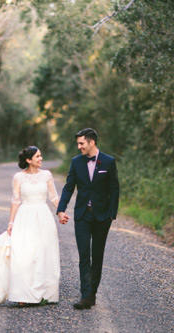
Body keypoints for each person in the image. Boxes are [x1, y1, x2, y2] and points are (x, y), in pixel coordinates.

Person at [57, 128, 119, 310]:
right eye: (78, 143)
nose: (79, 147)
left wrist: (111, 214)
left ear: (92, 142)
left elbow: (114, 189)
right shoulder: (76, 162)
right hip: (82, 215)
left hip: (102, 217)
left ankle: (92, 294)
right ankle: (85, 296)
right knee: (84, 256)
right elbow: (69, 187)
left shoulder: (109, 161)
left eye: (81, 143)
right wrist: (61, 209)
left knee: (97, 255)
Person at [0, 146, 61, 305]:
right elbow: (15, 201)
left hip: (43, 215)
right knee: (24, 254)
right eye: (37, 157)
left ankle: (45, 294)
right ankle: (22, 296)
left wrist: (61, 212)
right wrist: (11, 222)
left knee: (44, 253)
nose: (41, 159)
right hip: (25, 216)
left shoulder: (47, 175)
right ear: (29, 160)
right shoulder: (18, 177)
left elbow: (54, 197)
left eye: (41, 156)